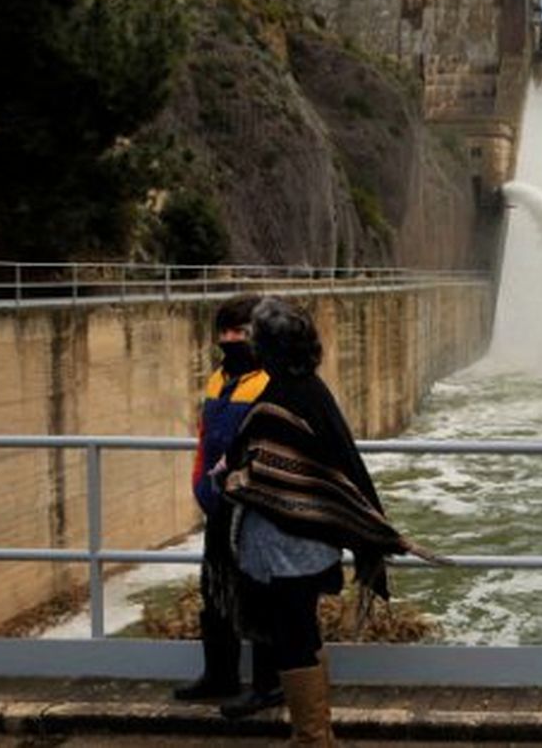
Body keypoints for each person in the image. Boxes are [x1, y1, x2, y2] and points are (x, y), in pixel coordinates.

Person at [215, 297, 433, 746]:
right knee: (304, 630)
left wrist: (229, 475)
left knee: (292, 635)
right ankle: (317, 732)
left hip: (283, 548)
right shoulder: (314, 390)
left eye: (255, 339)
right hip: (316, 540)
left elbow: (252, 470)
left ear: (268, 348)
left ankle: (312, 737)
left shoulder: (275, 402)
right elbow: (334, 467)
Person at [173, 294, 283, 719]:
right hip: (218, 503)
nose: (230, 339)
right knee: (215, 588)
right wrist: (200, 486)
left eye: (240, 332)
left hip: (256, 508)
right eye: (225, 332)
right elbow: (205, 439)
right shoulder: (218, 379)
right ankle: (218, 675)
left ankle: (267, 686)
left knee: (258, 593)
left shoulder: (270, 381)